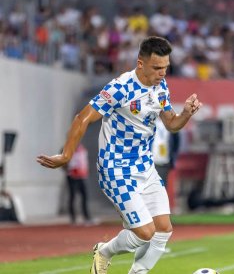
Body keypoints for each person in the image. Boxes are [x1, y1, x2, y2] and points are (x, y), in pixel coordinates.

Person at [37, 36, 202, 274]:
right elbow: (82, 118)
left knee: (164, 229)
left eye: (165, 67)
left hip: (145, 167)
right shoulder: (120, 88)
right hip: (116, 169)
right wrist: (66, 155)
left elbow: (172, 124)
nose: (162, 73)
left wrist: (186, 113)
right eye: (157, 68)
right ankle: (104, 251)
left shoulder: (160, 86)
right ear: (140, 64)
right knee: (145, 233)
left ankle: (138, 272)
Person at [64, 143, 92, 225]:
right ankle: (73, 218)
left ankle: (86, 217)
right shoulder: (67, 148)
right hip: (72, 176)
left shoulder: (82, 148)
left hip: (82, 176)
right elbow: (62, 162)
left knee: (85, 196)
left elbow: (84, 161)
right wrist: (68, 170)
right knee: (72, 196)